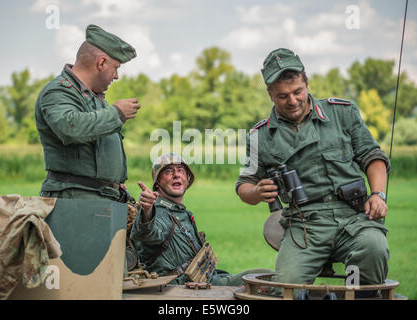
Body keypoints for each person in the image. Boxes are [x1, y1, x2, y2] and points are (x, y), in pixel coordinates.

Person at [236, 48, 390, 296]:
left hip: (354, 217)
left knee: (373, 248)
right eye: (283, 96)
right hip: (304, 225)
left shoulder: (341, 113)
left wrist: (378, 195)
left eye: (297, 92)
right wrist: (256, 191)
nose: (293, 101)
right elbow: (244, 185)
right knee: (286, 289)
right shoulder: (260, 136)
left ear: (307, 82)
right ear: (270, 94)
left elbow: (373, 158)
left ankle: (357, 295)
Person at [130, 153, 272, 285]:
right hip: (182, 287)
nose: (176, 175)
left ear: (187, 179)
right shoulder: (160, 212)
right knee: (267, 277)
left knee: (262, 277)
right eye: (168, 172)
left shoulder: (181, 213)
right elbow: (148, 232)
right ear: (157, 184)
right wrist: (147, 211)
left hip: (203, 278)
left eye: (180, 170)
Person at [35, 24, 140, 202]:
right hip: (74, 199)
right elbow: (70, 127)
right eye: (116, 68)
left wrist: (112, 181)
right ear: (102, 62)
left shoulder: (93, 98)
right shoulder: (58, 91)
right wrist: (117, 114)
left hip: (96, 198)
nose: (116, 76)